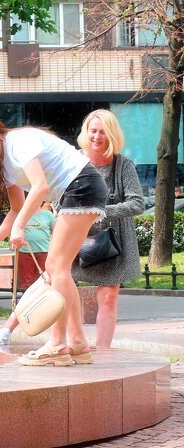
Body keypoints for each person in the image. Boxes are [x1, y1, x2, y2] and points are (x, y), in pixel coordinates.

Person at [0, 109, 107, 366]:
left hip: (81, 186)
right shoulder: (3, 162)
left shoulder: (18, 143)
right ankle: (78, 343)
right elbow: (17, 208)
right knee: (60, 271)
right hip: (76, 190)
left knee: (55, 268)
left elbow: (40, 188)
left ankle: (58, 344)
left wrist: (19, 227)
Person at [70, 109, 145, 349]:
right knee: (61, 289)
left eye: (102, 132)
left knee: (109, 297)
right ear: (86, 133)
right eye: (93, 131)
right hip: (75, 235)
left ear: (111, 135)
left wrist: (102, 211)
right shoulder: (74, 161)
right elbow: (59, 196)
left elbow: (137, 203)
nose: (97, 136)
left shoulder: (123, 165)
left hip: (112, 241)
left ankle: (103, 353)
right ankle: (73, 344)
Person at [0, 200, 55, 346]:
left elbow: (55, 232)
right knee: (28, 287)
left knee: (48, 286)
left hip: (44, 253)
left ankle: (45, 315)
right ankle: (28, 315)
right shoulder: (22, 215)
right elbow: (13, 233)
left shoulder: (47, 215)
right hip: (25, 253)